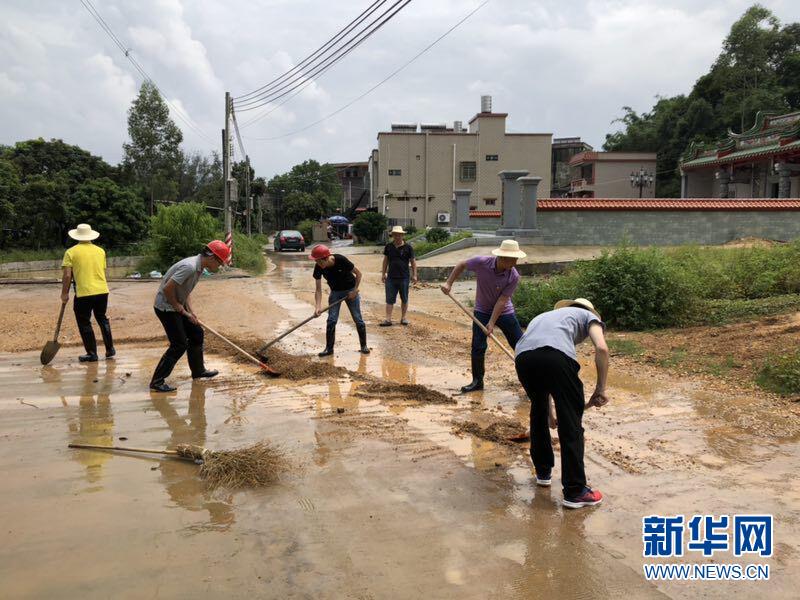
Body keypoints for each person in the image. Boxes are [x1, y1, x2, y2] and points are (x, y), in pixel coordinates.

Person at [514, 298, 609, 509]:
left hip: (523, 359)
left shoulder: (544, 317)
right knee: (571, 424)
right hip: (555, 358)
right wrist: (600, 389)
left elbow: (540, 360)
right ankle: (575, 491)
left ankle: (543, 472)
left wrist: (550, 413)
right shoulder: (588, 317)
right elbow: (602, 348)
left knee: (537, 411)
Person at [440, 239, 526, 392]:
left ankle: (529, 382)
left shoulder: (513, 275)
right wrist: (449, 283)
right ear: (503, 258)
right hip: (482, 311)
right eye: (513, 259)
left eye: (516, 259)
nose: (515, 262)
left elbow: (502, 300)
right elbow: (461, 264)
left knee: (521, 345)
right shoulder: (482, 262)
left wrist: (492, 322)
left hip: (505, 312)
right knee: (478, 346)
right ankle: (477, 381)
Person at [149, 241, 230, 393]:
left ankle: (198, 371)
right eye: (220, 263)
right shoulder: (190, 267)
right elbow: (168, 289)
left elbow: (185, 290)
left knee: (196, 333)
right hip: (166, 307)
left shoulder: (199, 268)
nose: (219, 267)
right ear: (213, 258)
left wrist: (191, 311)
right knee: (179, 344)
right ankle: (157, 381)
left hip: (177, 304)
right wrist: (181, 310)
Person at [60, 223, 115, 362]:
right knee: (102, 318)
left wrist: (64, 293)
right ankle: (110, 349)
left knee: (84, 322)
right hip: (102, 290)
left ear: (77, 236)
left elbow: (67, 276)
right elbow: (102, 271)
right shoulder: (100, 251)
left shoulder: (71, 252)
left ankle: (92, 353)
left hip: (84, 292)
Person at [311, 245, 370, 356]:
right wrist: (317, 307)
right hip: (335, 293)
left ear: (326, 258)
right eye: (316, 262)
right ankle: (329, 349)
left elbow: (358, 274)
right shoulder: (318, 267)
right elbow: (318, 290)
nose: (318, 264)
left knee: (358, 318)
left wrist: (354, 291)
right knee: (331, 320)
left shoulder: (341, 260)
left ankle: (364, 346)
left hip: (350, 290)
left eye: (319, 262)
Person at [380, 225, 417, 326]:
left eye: (399, 235)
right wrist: (383, 274)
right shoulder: (389, 247)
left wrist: (415, 275)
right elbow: (385, 261)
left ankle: (403, 318)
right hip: (391, 277)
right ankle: (388, 319)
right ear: (393, 236)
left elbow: (413, 262)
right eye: (395, 235)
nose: (397, 237)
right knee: (389, 299)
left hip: (404, 277)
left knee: (404, 298)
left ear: (402, 235)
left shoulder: (408, 247)